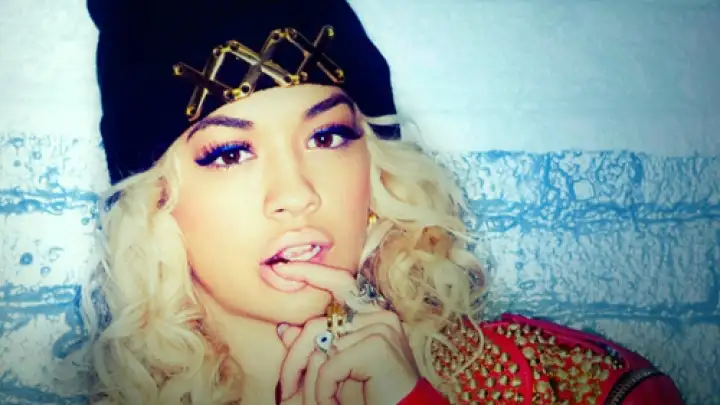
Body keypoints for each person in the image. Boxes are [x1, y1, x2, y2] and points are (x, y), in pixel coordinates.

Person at [84, 0, 685, 404]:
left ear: (376, 172)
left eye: (327, 137)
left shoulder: (554, 380)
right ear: (157, 203)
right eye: (230, 153)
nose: (297, 194)